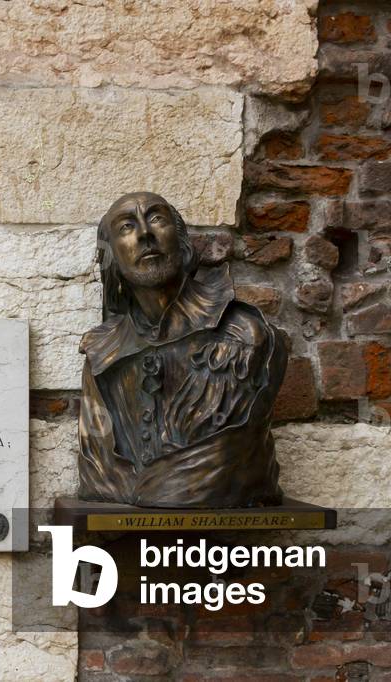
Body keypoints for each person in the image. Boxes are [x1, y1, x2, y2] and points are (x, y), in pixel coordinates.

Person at [78, 192, 287, 508]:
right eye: (126, 227)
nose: (145, 233)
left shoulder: (242, 335)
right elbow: (98, 472)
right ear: (112, 259)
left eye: (157, 219)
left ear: (182, 241)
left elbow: (233, 456)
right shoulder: (102, 356)